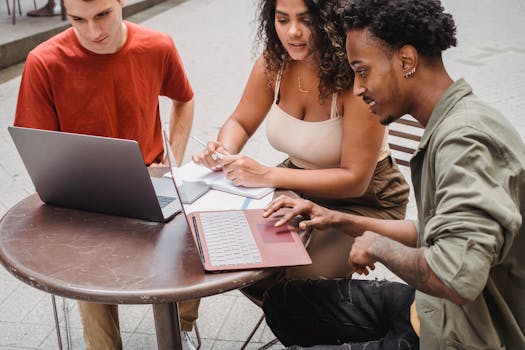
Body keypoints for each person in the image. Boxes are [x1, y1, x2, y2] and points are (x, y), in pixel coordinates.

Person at [261, 0, 525, 349]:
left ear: (406, 61)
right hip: (426, 308)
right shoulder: (450, 122)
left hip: (456, 337)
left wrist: (379, 246)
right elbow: (432, 235)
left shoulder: (466, 142)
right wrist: (336, 218)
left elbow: (456, 276)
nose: (356, 87)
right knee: (284, 304)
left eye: (363, 70)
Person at [13, 0, 199, 348]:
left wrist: (173, 162)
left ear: (120, 2)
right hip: (84, 198)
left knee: (199, 239)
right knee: (87, 268)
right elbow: (38, 148)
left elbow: (184, 99)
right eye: (77, 20)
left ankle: (181, 327)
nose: (93, 32)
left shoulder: (157, 45)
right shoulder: (44, 61)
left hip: (151, 182)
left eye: (103, 15)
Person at [193, 0, 409, 286]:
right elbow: (240, 122)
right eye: (283, 20)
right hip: (296, 191)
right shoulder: (274, 63)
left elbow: (355, 179)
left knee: (299, 280)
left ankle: (312, 320)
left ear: (329, 20)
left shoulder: (354, 77)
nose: (293, 32)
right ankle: (293, 320)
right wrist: (224, 150)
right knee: (222, 246)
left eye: (306, 20)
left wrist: (267, 175)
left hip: (365, 202)